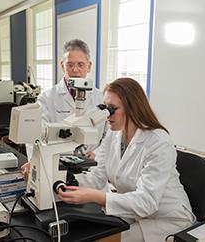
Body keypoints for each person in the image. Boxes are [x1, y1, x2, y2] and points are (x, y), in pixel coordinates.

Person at [57, 78, 195, 242]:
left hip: (166, 219)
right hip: (132, 212)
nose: (106, 115)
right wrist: (62, 182)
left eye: (112, 109)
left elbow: (147, 202)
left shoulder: (159, 142)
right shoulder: (114, 134)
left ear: (132, 108)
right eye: (104, 108)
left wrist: (97, 197)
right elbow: (97, 176)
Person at [21, 39, 103, 178]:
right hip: (56, 165)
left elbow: (110, 135)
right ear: (62, 65)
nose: (75, 70)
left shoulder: (100, 97)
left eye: (80, 65)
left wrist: (99, 153)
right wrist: (34, 162)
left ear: (89, 66)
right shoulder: (47, 98)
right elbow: (35, 135)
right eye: (70, 65)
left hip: (93, 168)